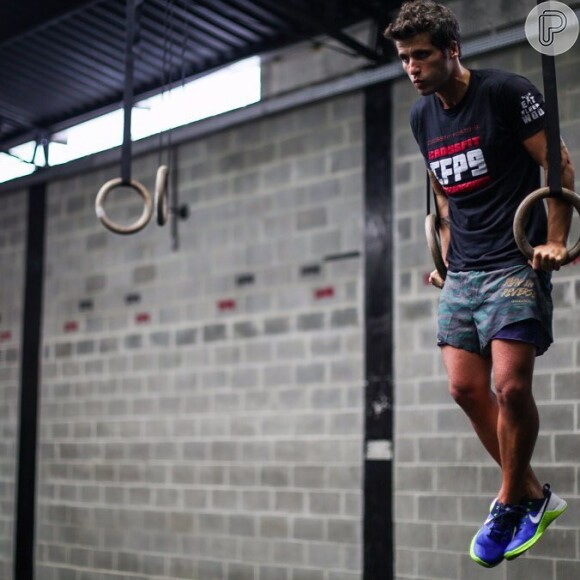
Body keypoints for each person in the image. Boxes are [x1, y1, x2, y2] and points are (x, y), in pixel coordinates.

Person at [385, 0, 573, 568]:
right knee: (465, 390)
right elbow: (443, 196)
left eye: (422, 55)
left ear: (452, 50)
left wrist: (556, 240)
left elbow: (557, 167)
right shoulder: (422, 119)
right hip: (463, 271)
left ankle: (508, 500)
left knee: (510, 388)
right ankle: (536, 496)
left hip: (516, 261)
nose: (412, 67)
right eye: (403, 58)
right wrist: (441, 257)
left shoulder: (504, 93)